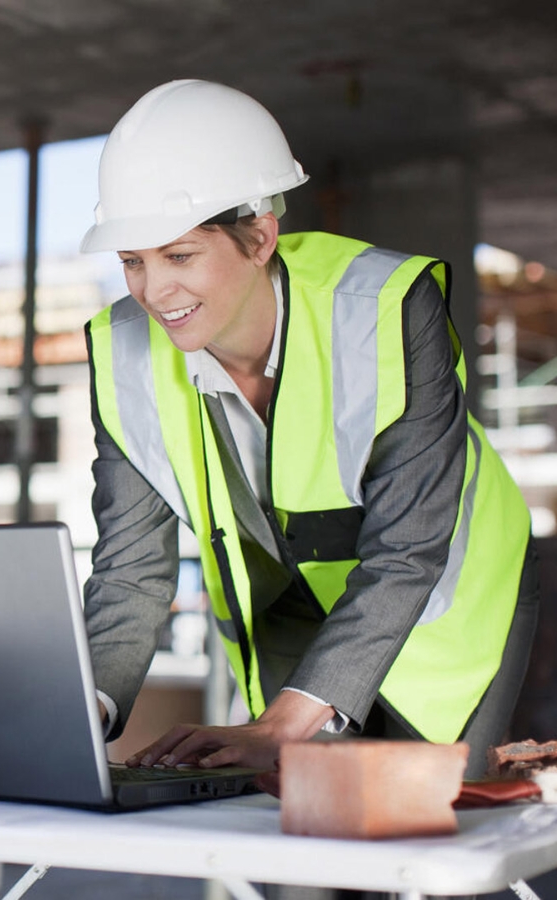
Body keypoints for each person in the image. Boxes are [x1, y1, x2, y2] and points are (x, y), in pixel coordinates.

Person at [78, 78, 539, 781]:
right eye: (132, 263)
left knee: (428, 843)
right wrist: (80, 714)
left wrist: (295, 716)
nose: (153, 291)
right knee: (297, 845)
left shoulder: (383, 308)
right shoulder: (121, 355)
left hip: (448, 600)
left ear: (260, 236)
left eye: (178, 256)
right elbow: (129, 574)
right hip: (288, 609)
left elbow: (410, 550)